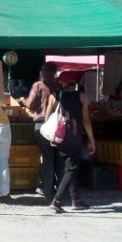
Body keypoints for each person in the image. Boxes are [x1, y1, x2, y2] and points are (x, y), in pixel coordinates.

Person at [44, 71, 95, 213]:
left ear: (64, 83)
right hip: (74, 137)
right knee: (70, 169)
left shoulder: (55, 96)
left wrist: (50, 136)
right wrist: (91, 139)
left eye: (61, 81)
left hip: (60, 138)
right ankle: (56, 201)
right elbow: (86, 120)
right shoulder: (83, 97)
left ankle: (75, 200)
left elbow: (48, 117)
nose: (59, 83)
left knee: (69, 168)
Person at [18, 62, 60, 197]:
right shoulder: (58, 86)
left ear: (44, 72)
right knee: (57, 156)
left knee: (47, 157)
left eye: (42, 70)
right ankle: (59, 187)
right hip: (58, 124)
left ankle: (46, 188)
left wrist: (22, 100)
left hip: (42, 124)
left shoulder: (38, 85)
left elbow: (30, 105)